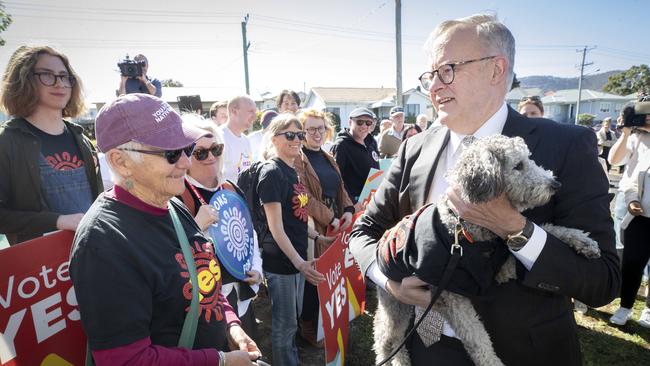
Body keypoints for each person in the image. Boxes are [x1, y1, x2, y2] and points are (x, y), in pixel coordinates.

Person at [349, 14, 619, 365]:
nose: (434, 87)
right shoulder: (415, 147)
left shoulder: (567, 145)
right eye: (429, 75)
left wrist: (515, 229)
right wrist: (390, 283)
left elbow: (603, 281)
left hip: (519, 353)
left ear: (496, 70)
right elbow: (363, 231)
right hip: (423, 347)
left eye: (448, 69)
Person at [70, 93, 260, 366]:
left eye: (185, 148)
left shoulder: (172, 204)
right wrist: (220, 360)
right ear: (120, 161)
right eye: (170, 153)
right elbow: (126, 360)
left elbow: (205, 281)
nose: (185, 162)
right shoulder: (103, 241)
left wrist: (231, 326)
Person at [0, 45, 103, 245]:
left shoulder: (82, 140)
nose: (60, 84)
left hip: (94, 253)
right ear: (23, 79)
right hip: (44, 270)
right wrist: (57, 221)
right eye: (47, 75)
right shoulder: (6, 142)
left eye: (65, 76)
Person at [178, 114, 264, 338]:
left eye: (215, 149)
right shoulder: (178, 196)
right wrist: (197, 226)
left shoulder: (230, 188)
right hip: (207, 304)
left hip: (241, 293)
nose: (210, 157)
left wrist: (256, 267)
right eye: (200, 152)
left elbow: (249, 233)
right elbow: (171, 251)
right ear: (185, 156)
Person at [257, 114, 326, 366]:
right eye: (290, 135)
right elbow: (276, 228)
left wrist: (318, 236)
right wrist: (299, 263)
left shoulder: (292, 170)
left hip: (296, 260)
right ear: (274, 139)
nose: (297, 139)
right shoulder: (272, 173)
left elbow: (296, 218)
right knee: (284, 325)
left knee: (292, 321)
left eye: (299, 135)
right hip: (282, 263)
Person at [293, 108, 354, 347]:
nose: (317, 133)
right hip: (314, 224)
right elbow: (304, 196)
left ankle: (326, 319)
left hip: (335, 221)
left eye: (321, 128)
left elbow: (341, 187)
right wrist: (330, 219)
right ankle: (308, 327)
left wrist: (348, 210)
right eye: (311, 129)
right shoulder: (298, 158)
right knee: (315, 274)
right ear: (302, 132)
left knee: (331, 272)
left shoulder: (328, 156)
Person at [607, 109, 650, 327]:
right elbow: (614, 159)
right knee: (632, 262)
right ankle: (625, 307)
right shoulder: (637, 138)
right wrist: (625, 132)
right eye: (646, 114)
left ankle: (649, 309)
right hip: (639, 214)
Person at [331, 107, 380, 209]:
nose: (364, 126)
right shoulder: (341, 145)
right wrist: (352, 202)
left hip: (372, 201)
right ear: (350, 122)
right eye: (360, 122)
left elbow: (376, 172)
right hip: (354, 205)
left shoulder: (371, 142)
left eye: (368, 123)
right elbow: (336, 179)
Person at [219, 95, 256, 182]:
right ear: (234, 111)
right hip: (228, 194)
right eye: (251, 111)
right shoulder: (219, 137)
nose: (255, 116)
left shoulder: (246, 140)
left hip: (244, 194)